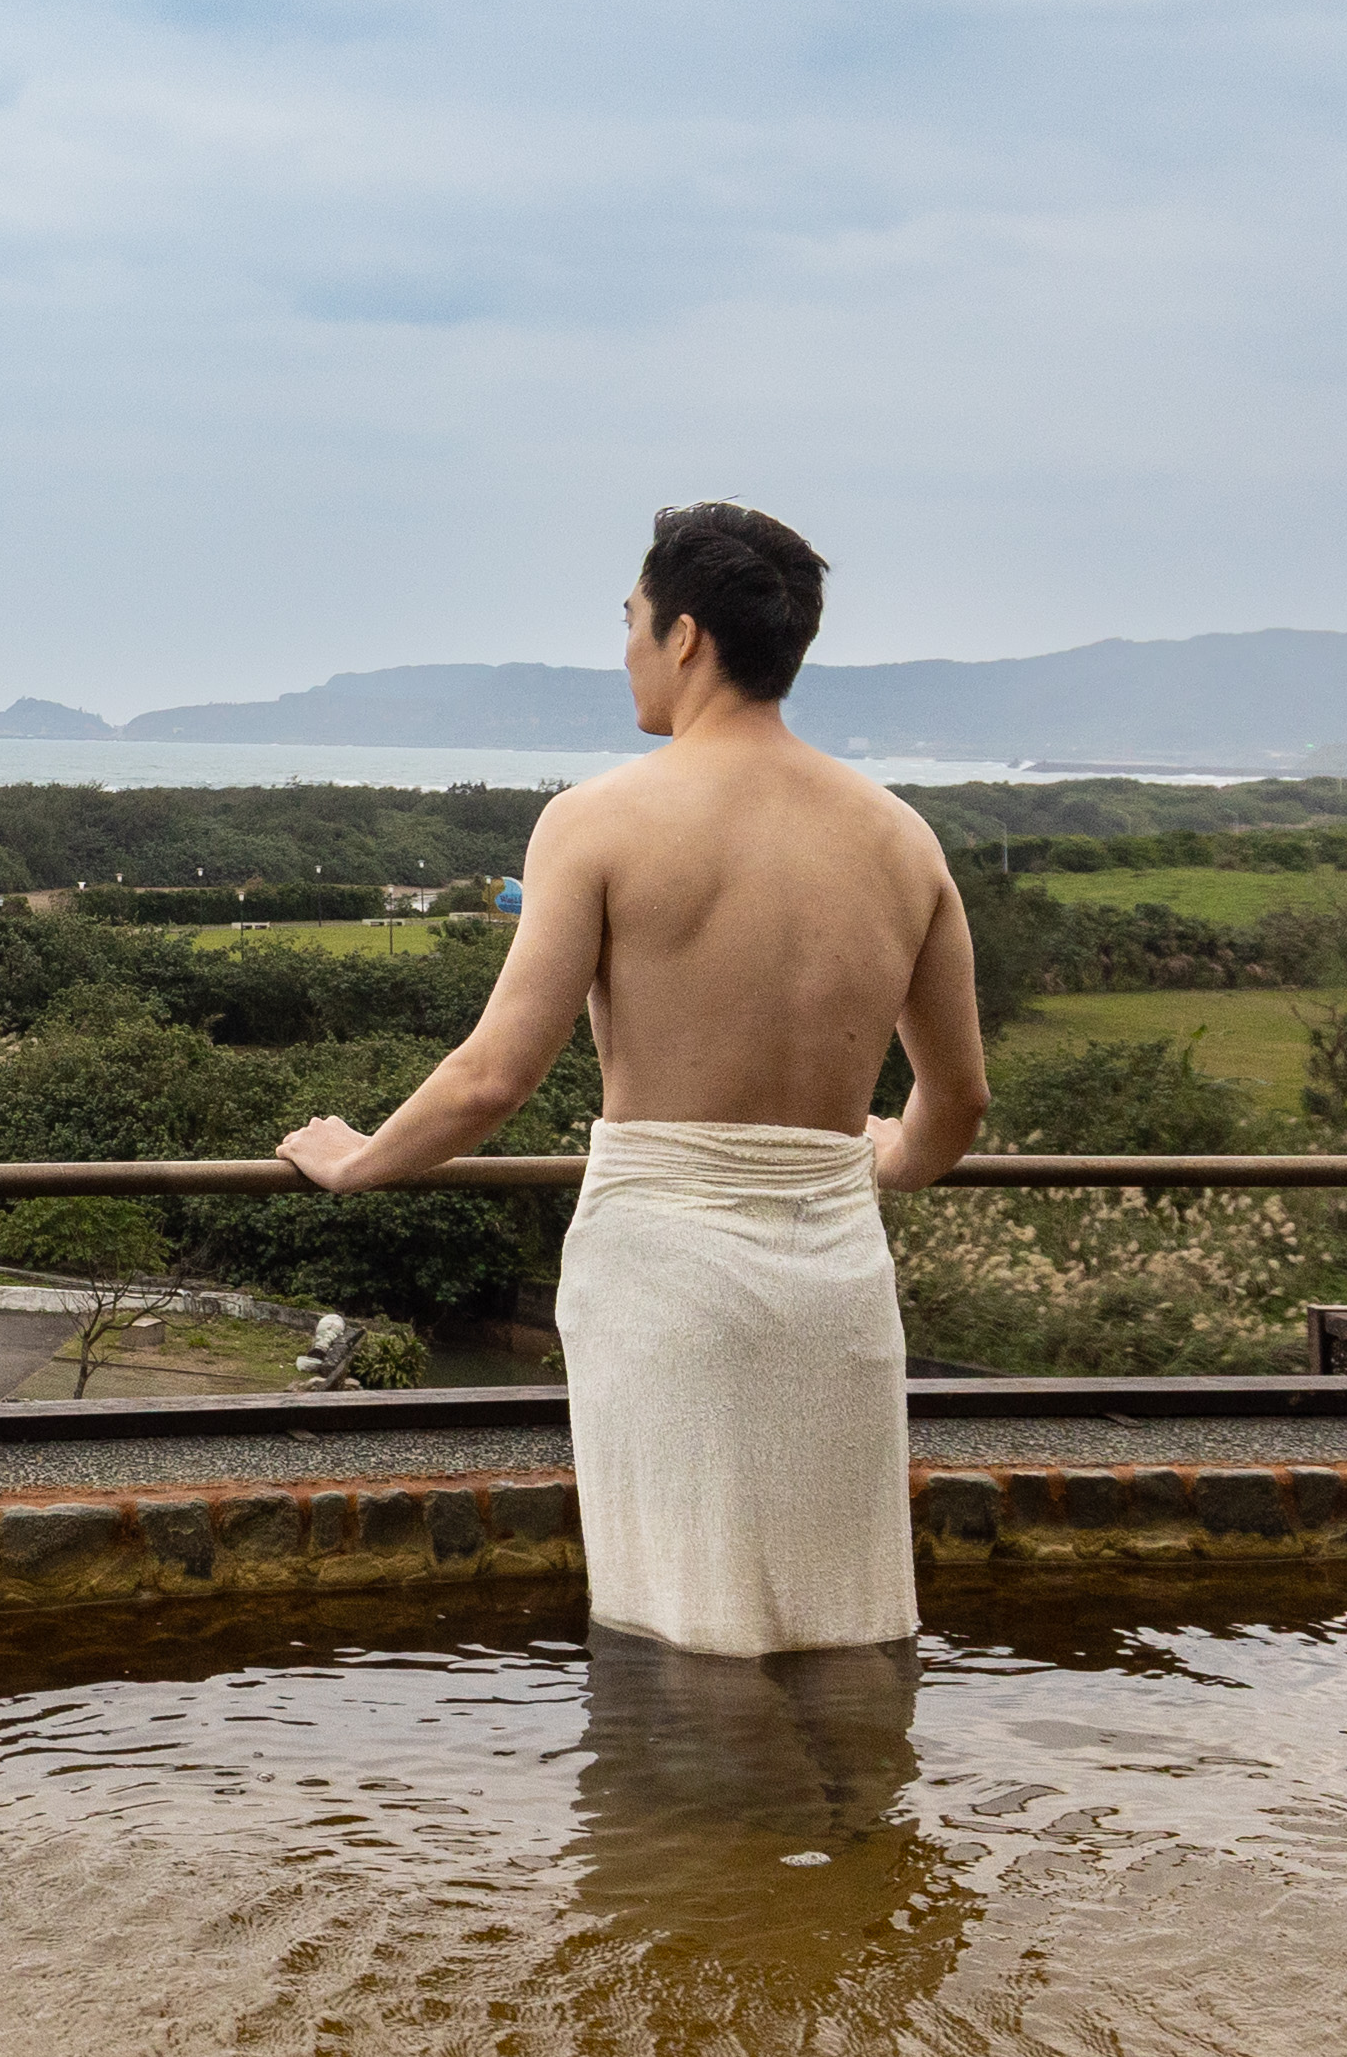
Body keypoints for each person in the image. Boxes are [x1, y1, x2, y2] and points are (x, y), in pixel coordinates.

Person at [280, 501, 982, 1660]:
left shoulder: (599, 820)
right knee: (840, 1619)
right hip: (837, 1276)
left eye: (630, 623)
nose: (625, 652)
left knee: (681, 1621)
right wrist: (877, 1158)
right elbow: (956, 1104)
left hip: (667, 1273)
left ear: (686, 635)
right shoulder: (902, 838)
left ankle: (680, 1843)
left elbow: (492, 1077)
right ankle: (851, 1837)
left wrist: (355, 1162)